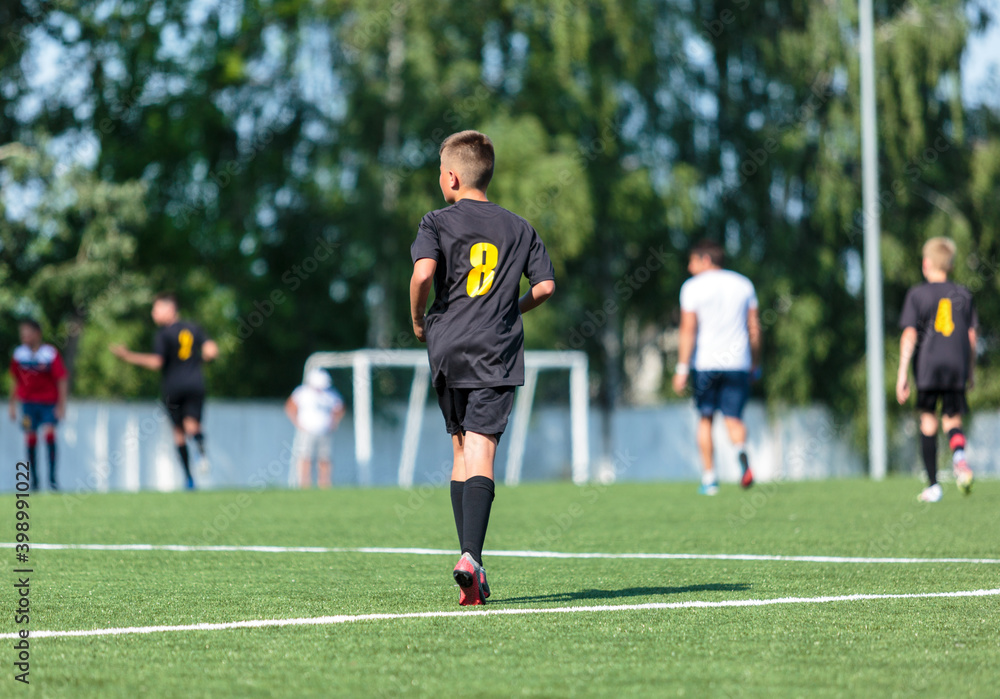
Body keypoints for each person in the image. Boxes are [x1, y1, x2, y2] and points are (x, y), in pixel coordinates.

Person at [410, 130, 555, 606]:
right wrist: (509, 308)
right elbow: (547, 286)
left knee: (459, 453)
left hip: (447, 347)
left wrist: (417, 319)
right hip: (495, 348)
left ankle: (468, 560)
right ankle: (471, 557)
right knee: (483, 453)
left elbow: (424, 274)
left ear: (451, 176)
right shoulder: (519, 227)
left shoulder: (435, 221)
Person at [672, 239, 760, 495]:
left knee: (705, 418)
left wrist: (681, 368)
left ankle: (710, 479)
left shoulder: (692, 288)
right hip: (738, 362)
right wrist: (755, 362)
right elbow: (754, 329)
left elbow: (688, 331)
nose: (689, 267)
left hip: (706, 363)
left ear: (706, 260)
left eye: (692, 261)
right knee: (734, 418)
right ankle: (742, 455)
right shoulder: (744, 284)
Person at [896, 237, 977, 503]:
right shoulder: (964, 295)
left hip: (928, 367)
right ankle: (959, 458)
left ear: (926, 264)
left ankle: (933, 486)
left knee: (928, 420)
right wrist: (971, 372)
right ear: (951, 265)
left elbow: (909, 335)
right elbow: (972, 338)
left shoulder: (917, 294)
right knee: (952, 419)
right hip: (956, 366)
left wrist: (902, 374)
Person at [110, 293, 218, 490]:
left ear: (170, 309)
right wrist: (202, 359)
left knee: (178, 432)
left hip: (173, 387)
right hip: (196, 383)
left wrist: (128, 356)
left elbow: (157, 362)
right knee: (193, 425)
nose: (153, 313)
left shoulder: (163, 334)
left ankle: (189, 479)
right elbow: (211, 350)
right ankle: (201, 450)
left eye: (156, 309)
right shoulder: (194, 328)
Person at [10, 319, 69, 491]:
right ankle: (34, 481)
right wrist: (12, 404)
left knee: (49, 434)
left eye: (28, 334)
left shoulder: (49, 353)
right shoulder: (19, 354)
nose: (25, 338)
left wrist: (61, 405)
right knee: (30, 437)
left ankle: (52, 480)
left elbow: (62, 379)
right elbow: (15, 380)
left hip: (48, 404)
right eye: (23, 335)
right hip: (28, 405)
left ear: (37, 334)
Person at [285, 368, 346, 489]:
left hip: (324, 432)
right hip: (307, 432)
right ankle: (304, 485)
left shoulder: (330, 394)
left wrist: (334, 422)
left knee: (324, 459)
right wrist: (299, 424)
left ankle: (324, 485)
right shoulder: (302, 393)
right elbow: (290, 407)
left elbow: (340, 408)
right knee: (305, 458)